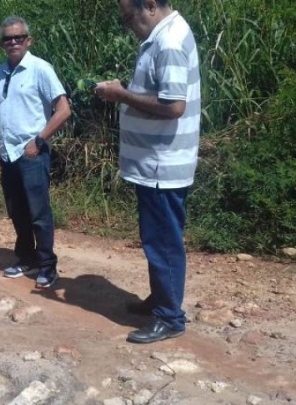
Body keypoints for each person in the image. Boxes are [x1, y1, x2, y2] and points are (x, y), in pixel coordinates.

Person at [95, 0, 201, 343]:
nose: (129, 25)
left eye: (130, 18)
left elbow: (173, 106)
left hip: (162, 164)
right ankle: (162, 298)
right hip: (157, 161)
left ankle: (170, 317)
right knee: (157, 237)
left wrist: (120, 94)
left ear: (150, 5)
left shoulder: (168, 42)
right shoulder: (165, 34)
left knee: (162, 241)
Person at [0, 16, 71, 288]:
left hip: (31, 153)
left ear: (28, 40)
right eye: (7, 39)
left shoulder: (39, 69)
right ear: (2, 44)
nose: (13, 42)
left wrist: (39, 140)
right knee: (17, 211)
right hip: (7, 153)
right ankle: (26, 258)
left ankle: (48, 265)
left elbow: (63, 110)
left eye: (18, 37)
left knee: (38, 213)